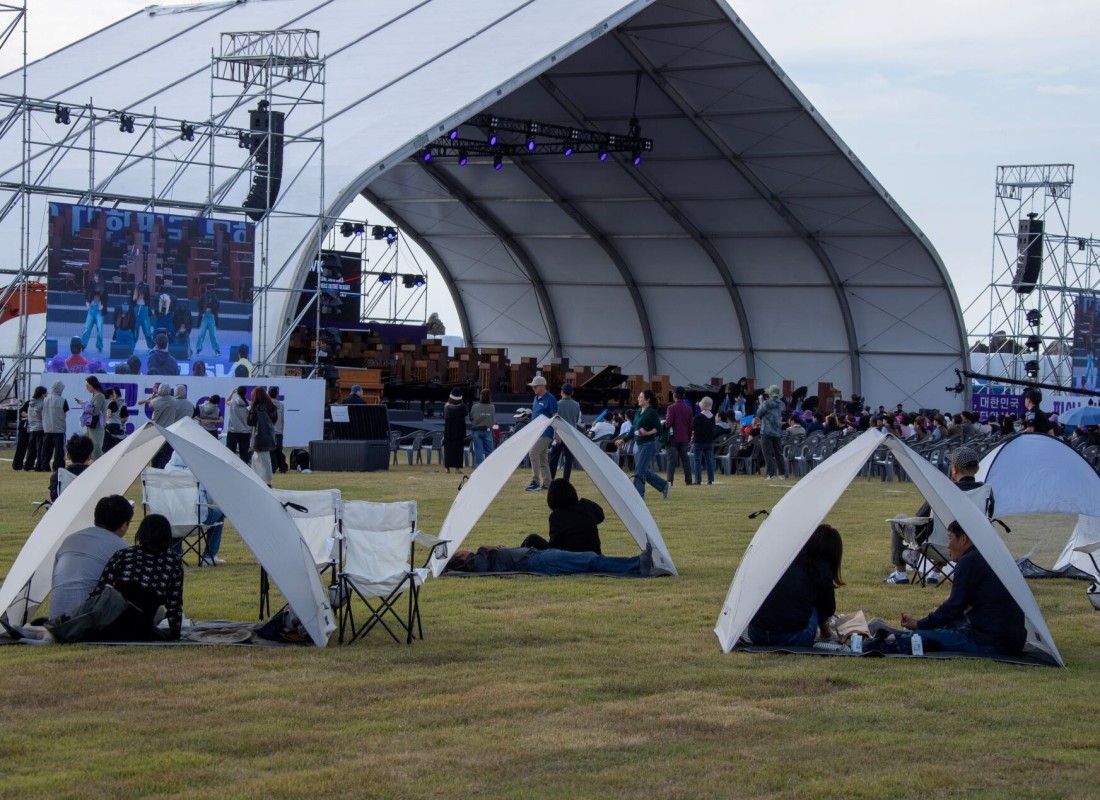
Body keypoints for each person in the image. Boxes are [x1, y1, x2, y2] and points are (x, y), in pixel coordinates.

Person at [873, 521, 1026, 656]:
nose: (947, 545)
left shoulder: (969, 562)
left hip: (989, 642)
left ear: (963, 539)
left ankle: (893, 635)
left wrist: (920, 624)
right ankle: (914, 631)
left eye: (950, 538)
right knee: (952, 623)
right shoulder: (990, 556)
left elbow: (954, 606)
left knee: (924, 636)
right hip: (1012, 639)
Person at [883, 445, 994, 585]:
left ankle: (900, 573)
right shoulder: (986, 492)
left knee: (900, 519)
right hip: (971, 547)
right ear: (977, 469)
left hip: (936, 546)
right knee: (953, 529)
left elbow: (920, 518)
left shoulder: (941, 490)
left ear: (953, 469)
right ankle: (934, 574)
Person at [88, 513, 185, 641]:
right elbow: (174, 605)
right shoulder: (173, 561)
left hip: (108, 624)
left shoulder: (123, 554)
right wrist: (175, 636)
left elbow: (100, 590)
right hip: (141, 629)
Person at [746, 524, 844, 647]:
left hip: (756, 633)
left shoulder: (786, 558)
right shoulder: (821, 568)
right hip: (792, 637)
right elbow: (828, 608)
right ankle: (826, 633)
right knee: (818, 601)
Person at [49, 494, 134, 617]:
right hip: (87, 624)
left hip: (56, 619)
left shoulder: (70, 540)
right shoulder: (122, 549)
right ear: (124, 525)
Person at [445, 542, 658, 577]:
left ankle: (635, 565)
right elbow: (482, 567)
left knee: (589, 560)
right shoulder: (475, 561)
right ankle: (636, 565)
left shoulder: (478, 559)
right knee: (590, 560)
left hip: (537, 557)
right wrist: (485, 548)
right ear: (460, 556)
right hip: (539, 561)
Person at [521, 478, 604, 553]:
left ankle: (516, 559)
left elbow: (554, 546)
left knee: (531, 539)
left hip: (568, 559)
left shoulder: (556, 516)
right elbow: (601, 516)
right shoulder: (587, 507)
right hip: (594, 555)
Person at [615, 389, 671, 500]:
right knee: (643, 470)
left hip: (648, 444)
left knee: (639, 470)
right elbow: (633, 429)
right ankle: (664, 485)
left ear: (647, 400)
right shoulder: (638, 412)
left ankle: (638, 495)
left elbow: (659, 429)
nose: (638, 399)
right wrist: (624, 440)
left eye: (641, 397)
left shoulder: (651, 413)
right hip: (639, 444)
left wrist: (647, 433)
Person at [525, 375, 557, 492]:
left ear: (542, 386)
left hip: (546, 432)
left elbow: (555, 417)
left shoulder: (550, 399)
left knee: (533, 452)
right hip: (537, 432)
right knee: (543, 458)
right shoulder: (536, 398)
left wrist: (557, 433)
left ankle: (535, 481)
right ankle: (548, 484)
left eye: (535, 386)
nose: (533, 388)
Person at [549, 383, 581, 481]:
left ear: (562, 392)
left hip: (559, 433)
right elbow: (576, 419)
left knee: (554, 457)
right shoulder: (576, 404)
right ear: (572, 393)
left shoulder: (557, 404)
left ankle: (551, 478)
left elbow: (554, 419)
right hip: (571, 434)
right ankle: (566, 479)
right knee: (568, 459)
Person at [247, 386, 278, 486]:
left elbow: (250, 422)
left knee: (261, 460)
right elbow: (274, 420)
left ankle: (266, 482)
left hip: (259, 436)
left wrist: (251, 409)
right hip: (269, 435)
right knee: (259, 459)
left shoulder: (256, 409)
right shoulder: (271, 407)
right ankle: (260, 480)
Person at [49, 434, 95, 502]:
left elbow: (53, 501)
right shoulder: (97, 474)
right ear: (89, 456)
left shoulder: (57, 476)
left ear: (68, 455)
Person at [664, 386, 694, 486]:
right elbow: (690, 426)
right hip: (684, 438)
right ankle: (688, 480)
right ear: (684, 396)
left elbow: (668, 423)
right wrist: (689, 437)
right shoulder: (689, 409)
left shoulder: (671, 408)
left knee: (671, 461)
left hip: (673, 438)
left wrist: (663, 424)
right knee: (686, 461)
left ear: (674, 395)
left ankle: (669, 481)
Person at [146, 382, 179, 469]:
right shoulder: (174, 401)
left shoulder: (154, 401)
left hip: (156, 431)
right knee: (166, 455)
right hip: (169, 431)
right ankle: (162, 471)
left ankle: (154, 469)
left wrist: (154, 394)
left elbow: (150, 405)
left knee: (155, 454)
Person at [39, 381, 69, 473]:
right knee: (59, 450)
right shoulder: (63, 400)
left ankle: (44, 466)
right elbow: (65, 413)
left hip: (47, 428)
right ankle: (58, 466)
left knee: (46, 449)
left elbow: (41, 411)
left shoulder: (45, 400)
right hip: (59, 429)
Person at [759, 385, 786, 480]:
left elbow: (759, 413)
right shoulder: (782, 404)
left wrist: (761, 403)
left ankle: (771, 474)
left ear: (770, 394)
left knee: (767, 453)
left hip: (766, 430)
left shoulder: (766, 403)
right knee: (779, 453)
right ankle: (782, 474)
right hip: (777, 431)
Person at [692, 396, 717, 485]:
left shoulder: (698, 417)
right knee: (709, 460)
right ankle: (711, 479)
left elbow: (693, 427)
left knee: (697, 460)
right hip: (709, 441)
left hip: (698, 441)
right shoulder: (713, 417)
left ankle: (698, 479)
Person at [468, 389, 496, 468]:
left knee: (478, 450)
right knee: (489, 450)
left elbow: (471, 417)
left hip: (477, 430)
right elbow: (493, 420)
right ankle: (489, 467)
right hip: (487, 430)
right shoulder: (492, 407)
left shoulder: (475, 406)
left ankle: (478, 467)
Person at [22, 386, 47, 471]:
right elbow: (42, 415)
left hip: (32, 428)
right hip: (40, 427)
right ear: (42, 394)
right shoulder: (41, 404)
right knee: (40, 448)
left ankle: (28, 465)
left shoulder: (30, 403)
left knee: (31, 448)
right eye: (46, 393)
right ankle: (38, 466)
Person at [442, 388, 467, 474]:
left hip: (449, 431)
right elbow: (465, 413)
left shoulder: (446, 406)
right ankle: (457, 469)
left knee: (448, 450)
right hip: (459, 431)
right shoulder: (463, 407)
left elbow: (445, 416)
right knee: (458, 450)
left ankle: (447, 468)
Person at [225, 386, 251, 462]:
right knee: (244, 453)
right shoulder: (249, 404)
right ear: (246, 393)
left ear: (238, 393)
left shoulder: (233, 402)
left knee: (230, 452)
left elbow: (226, 401)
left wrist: (232, 393)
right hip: (245, 431)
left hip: (233, 431)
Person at [80, 277, 105, 353]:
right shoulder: (91, 284)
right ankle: (83, 345)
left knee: (100, 328)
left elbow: (106, 297)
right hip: (92, 308)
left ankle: (99, 346)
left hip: (99, 309)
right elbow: (87, 294)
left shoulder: (103, 285)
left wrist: (103, 305)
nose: (96, 278)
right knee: (87, 327)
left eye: (98, 277)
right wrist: (87, 302)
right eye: (95, 277)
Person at [195, 287, 221, 357]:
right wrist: (202, 312)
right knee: (201, 334)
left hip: (211, 317)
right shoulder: (203, 296)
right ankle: (198, 349)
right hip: (204, 316)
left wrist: (214, 312)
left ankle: (216, 350)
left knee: (213, 335)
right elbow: (198, 304)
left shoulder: (214, 297)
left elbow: (218, 305)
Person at [268, 386, 288, 474]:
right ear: (277, 394)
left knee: (271, 450)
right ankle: (283, 467)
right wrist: (282, 431)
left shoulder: (266, 405)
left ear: (268, 394)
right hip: (279, 431)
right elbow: (282, 420)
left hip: (269, 431)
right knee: (279, 450)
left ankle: (273, 467)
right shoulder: (281, 405)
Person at [102, 387, 128, 453]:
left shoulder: (122, 405)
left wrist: (116, 421)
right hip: (111, 428)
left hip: (116, 428)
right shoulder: (109, 402)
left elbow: (125, 418)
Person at [132, 281, 155, 350]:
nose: (141, 294)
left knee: (147, 329)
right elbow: (131, 300)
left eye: (142, 293)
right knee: (135, 329)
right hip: (136, 309)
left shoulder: (146, 288)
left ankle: (150, 346)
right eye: (140, 292)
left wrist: (147, 308)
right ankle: (132, 345)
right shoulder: (135, 289)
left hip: (144, 308)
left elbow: (148, 299)